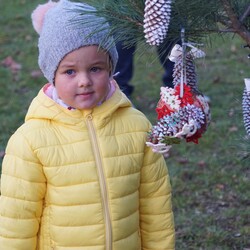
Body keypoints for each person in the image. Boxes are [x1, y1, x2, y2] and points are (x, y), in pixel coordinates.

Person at [0, 0, 175, 249]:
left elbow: (155, 205)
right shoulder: (30, 141)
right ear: (52, 74)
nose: (84, 81)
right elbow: (16, 223)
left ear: (112, 69)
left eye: (95, 68)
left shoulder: (137, 126)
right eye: (70, 72)